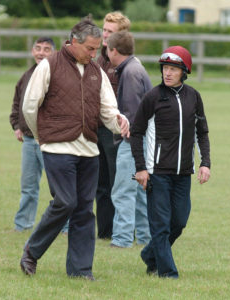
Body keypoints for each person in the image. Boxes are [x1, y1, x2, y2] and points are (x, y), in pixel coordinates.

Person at [19, 17, 129, 280]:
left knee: (83, 211)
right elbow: (29, 106)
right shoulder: (49, 66)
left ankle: (80, 270)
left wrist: (119, 122)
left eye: (96, 49)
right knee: (65, 202)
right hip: (57, 149)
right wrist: (43, 136)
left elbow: (107, 109)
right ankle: (32, 252)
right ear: (74, 42)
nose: (94, 54)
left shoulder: (96, 71)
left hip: (89, 151)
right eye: (90, 49)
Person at [130, 46, 211, 278]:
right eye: (165, 68)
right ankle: (168, 273)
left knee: (179, 221)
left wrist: (205, 163)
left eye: (173, 69)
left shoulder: (194, 97)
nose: (167, 73)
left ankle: (149, 255)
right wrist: (140, 169)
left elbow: (202, 133)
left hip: (184, 173)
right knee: (161, 225)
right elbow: (136, 133)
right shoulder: (152, 97)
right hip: (157, 173)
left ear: (184, 71)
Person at [106, 31, 152, 248]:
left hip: (133, 142)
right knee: (140, 192)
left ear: (113, 50)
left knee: (123, 190)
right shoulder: (136, 67)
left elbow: (133, 115)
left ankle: (122, 239)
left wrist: (129, 136)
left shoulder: (130, 73)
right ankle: (145, 238)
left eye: (107, 48)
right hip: (144, 142)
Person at [9, 37, 55, 232]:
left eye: (46, 49)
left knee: (59, 188)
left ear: (53, 53)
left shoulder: (56, 76)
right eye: (37, 48)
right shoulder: (26, 76)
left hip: (50, 141)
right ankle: (23, 224)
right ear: (32, 51)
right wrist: (17, 126)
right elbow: (17, 104)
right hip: (28, 141)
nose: (41, 53)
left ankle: (65, 225)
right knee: (28, 186)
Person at [96, 12, 131, 239]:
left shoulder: (126, 65)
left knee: (118, 183)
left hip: (115, 132)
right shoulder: (98, 58)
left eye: (111, 31)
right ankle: (105, 231)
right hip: (95, 130)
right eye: (104, 30)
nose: (105, 35)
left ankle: (123, 231)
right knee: (100, 184)